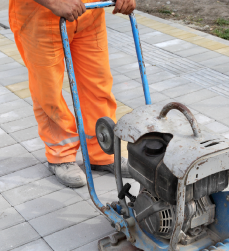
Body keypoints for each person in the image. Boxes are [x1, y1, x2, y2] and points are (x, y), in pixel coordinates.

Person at [9, 0, 136, 187]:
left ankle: (102, 150)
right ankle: (60, 155)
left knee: (98, 85)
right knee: (48, 91)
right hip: (40, 13)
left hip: (90, 10)